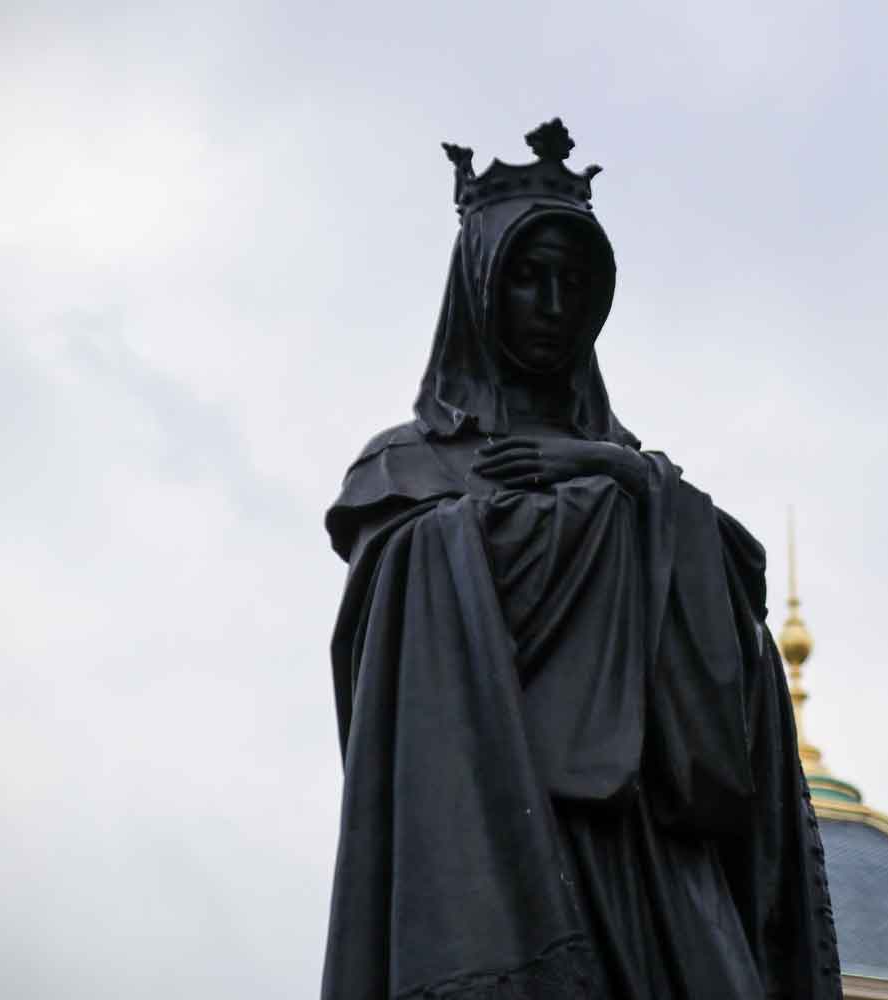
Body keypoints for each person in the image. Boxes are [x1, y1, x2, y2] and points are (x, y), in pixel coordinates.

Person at [320, 119, 841, 999]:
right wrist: (612, 512)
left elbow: (736, 645)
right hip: (503, 829)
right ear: (480, 290)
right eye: (529, 277)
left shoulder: (639, 476)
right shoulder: (405, 467)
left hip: (654, 851)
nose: (553, 304)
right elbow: (404, 659)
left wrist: (618, 475)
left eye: (574, 282)